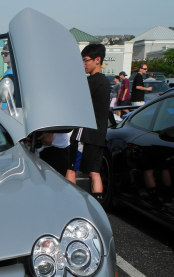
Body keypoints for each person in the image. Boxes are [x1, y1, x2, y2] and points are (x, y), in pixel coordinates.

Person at [66, 43, 110, 204]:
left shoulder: (91, 81)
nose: (84, 64)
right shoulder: (105, 82)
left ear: (97, 60)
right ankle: (99, 207)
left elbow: (77, 103)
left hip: (84, 133)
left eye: (86, 60)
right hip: (99, 133)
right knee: (94, 172)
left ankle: (70, 203)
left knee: (71, 169)